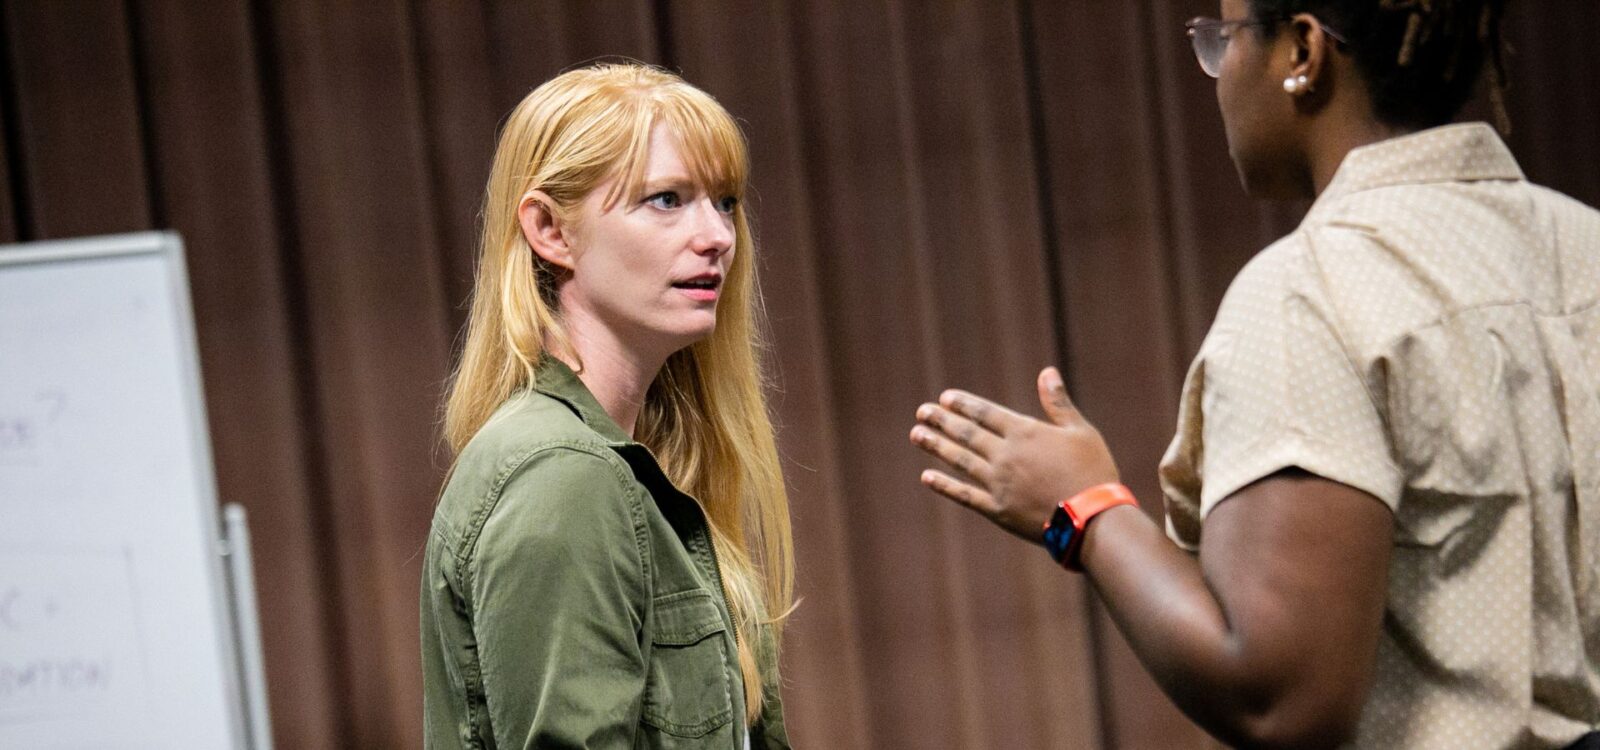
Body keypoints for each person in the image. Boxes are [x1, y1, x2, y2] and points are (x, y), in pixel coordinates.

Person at [910, 1, 1599, 748]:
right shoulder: (1584, 246)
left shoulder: (1312, 294)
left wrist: (1085, 510)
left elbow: (1280, 700)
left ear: (1302, 52)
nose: (1218, 74)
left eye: (1223, 38)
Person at [421, 63, 795, 749]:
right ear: (550, 230)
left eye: (725, 202)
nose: (717, 236)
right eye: (666, 199)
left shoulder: (625, 465)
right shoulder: (563, 475)